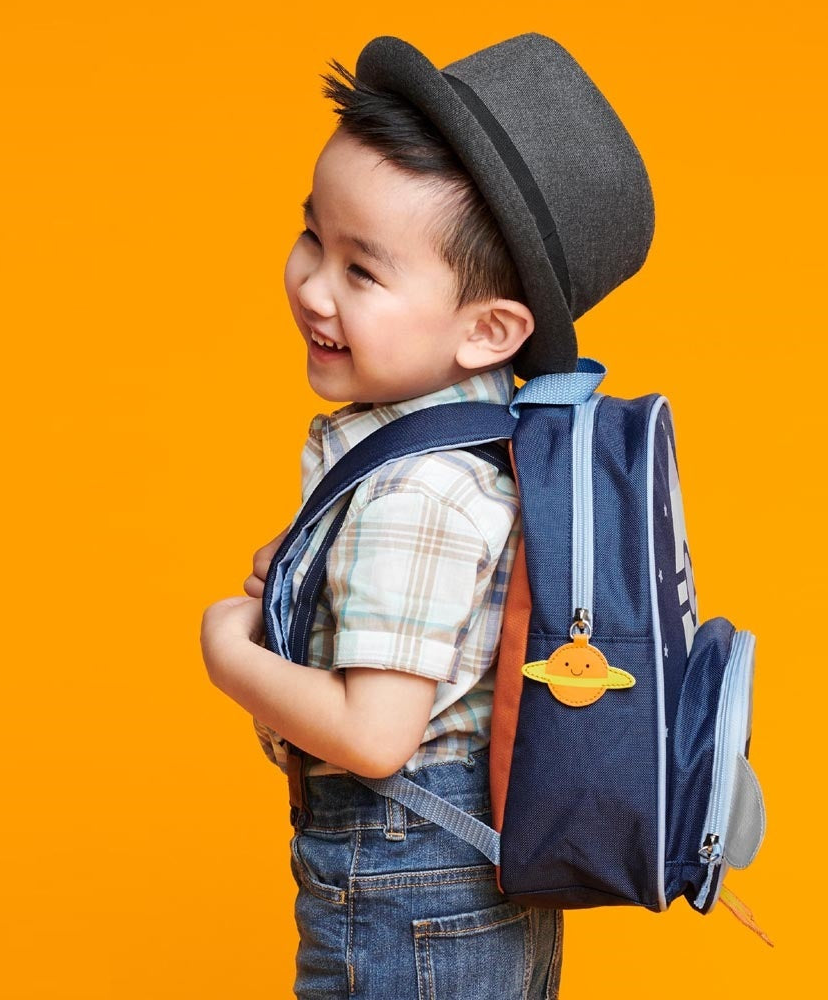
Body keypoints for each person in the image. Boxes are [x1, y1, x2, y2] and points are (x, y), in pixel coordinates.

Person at [200, 32, 653, 1000]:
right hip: (453, 880)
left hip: (407, 879)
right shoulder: (470, 447)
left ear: (487, 329)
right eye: (312, 235)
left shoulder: (416, 488)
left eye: (362, 271)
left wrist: (227, 649)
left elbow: (374, 737)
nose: (312, 286)